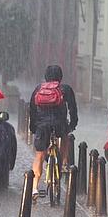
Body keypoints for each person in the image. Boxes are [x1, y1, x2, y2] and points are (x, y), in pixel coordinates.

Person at [29, 65, 78, 201]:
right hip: (59, 124)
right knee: (66, 137)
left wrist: (33, 126)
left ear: (46, 76)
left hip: (42, 125)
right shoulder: (65, 89)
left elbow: (32, 109)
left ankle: (34, 187)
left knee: (39, 155)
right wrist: (72, 124)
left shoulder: (38, 89)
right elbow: (73, 108)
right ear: (60, 77)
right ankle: (62, 163)